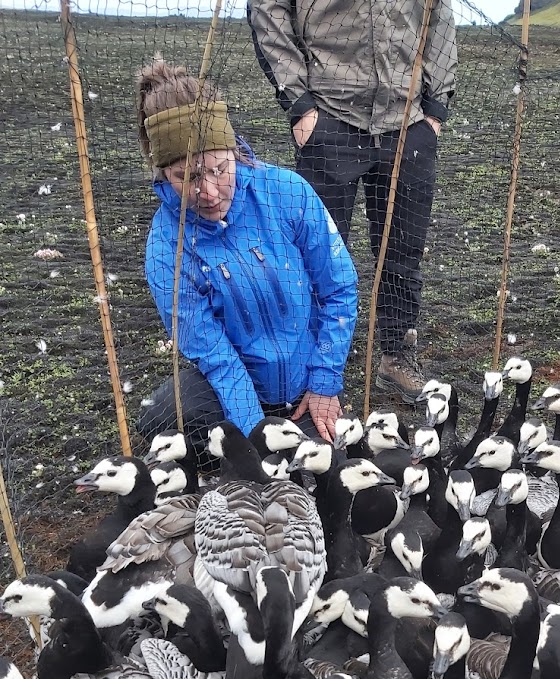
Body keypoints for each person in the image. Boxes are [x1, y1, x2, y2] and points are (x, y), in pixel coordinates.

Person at [137, 58, 358, 456]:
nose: (209, 191)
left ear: (235, 151)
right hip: (234, 388)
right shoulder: (165, 249)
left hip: (307, 377)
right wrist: (256, 436)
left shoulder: (288, 191)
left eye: (220, 169)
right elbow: (215, 355)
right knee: (164, 416)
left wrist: (324, 382)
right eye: (185, 178)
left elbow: (339, 287)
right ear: (163, 176)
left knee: (324, 470)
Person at [247, 0, 457, 405]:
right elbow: (268, 10)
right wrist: (299, 105)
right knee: (314, 258)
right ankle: (308, 370)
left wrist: (435, 109)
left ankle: (397, 356)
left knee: (402, 253)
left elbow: (440, 16)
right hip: (329, 116)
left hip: (408, 121)